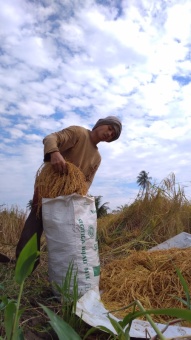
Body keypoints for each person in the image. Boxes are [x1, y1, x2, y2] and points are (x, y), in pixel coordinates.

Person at [15, 116, 122, 269]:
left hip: (70, 197)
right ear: (100, 124)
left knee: (67, 231)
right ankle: (24, 265)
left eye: (113, 135)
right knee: (36, 222)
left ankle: (66, 268)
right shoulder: (78, 133)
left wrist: (80, 194)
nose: (109, 134)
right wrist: (54, 153)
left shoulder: (97, 157)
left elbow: (87, 180)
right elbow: (51, 138)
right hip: (49, 187)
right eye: (110, 128)